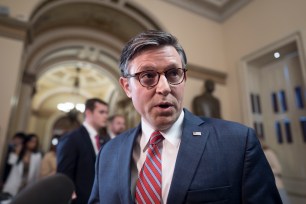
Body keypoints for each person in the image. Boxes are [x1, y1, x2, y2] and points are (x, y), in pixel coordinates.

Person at [89, 30, 282, 203]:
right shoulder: (108, 153)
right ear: (126, 87)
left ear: (184, 78)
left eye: (173, 73)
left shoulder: (238, 143)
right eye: (148, 76)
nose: (164, 88)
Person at [56, 98, 109, 204]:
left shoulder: (104, 140)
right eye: (101, 112)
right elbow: (64, 175)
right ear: (89, 113)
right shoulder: (72, 138)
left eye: (107, 113)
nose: (106, 116)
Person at [260, 140, 291, 204]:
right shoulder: (257, 154)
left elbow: (279, 169)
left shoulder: (268, 152)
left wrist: (264, 170)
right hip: (266, 189)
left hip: (277, 186)